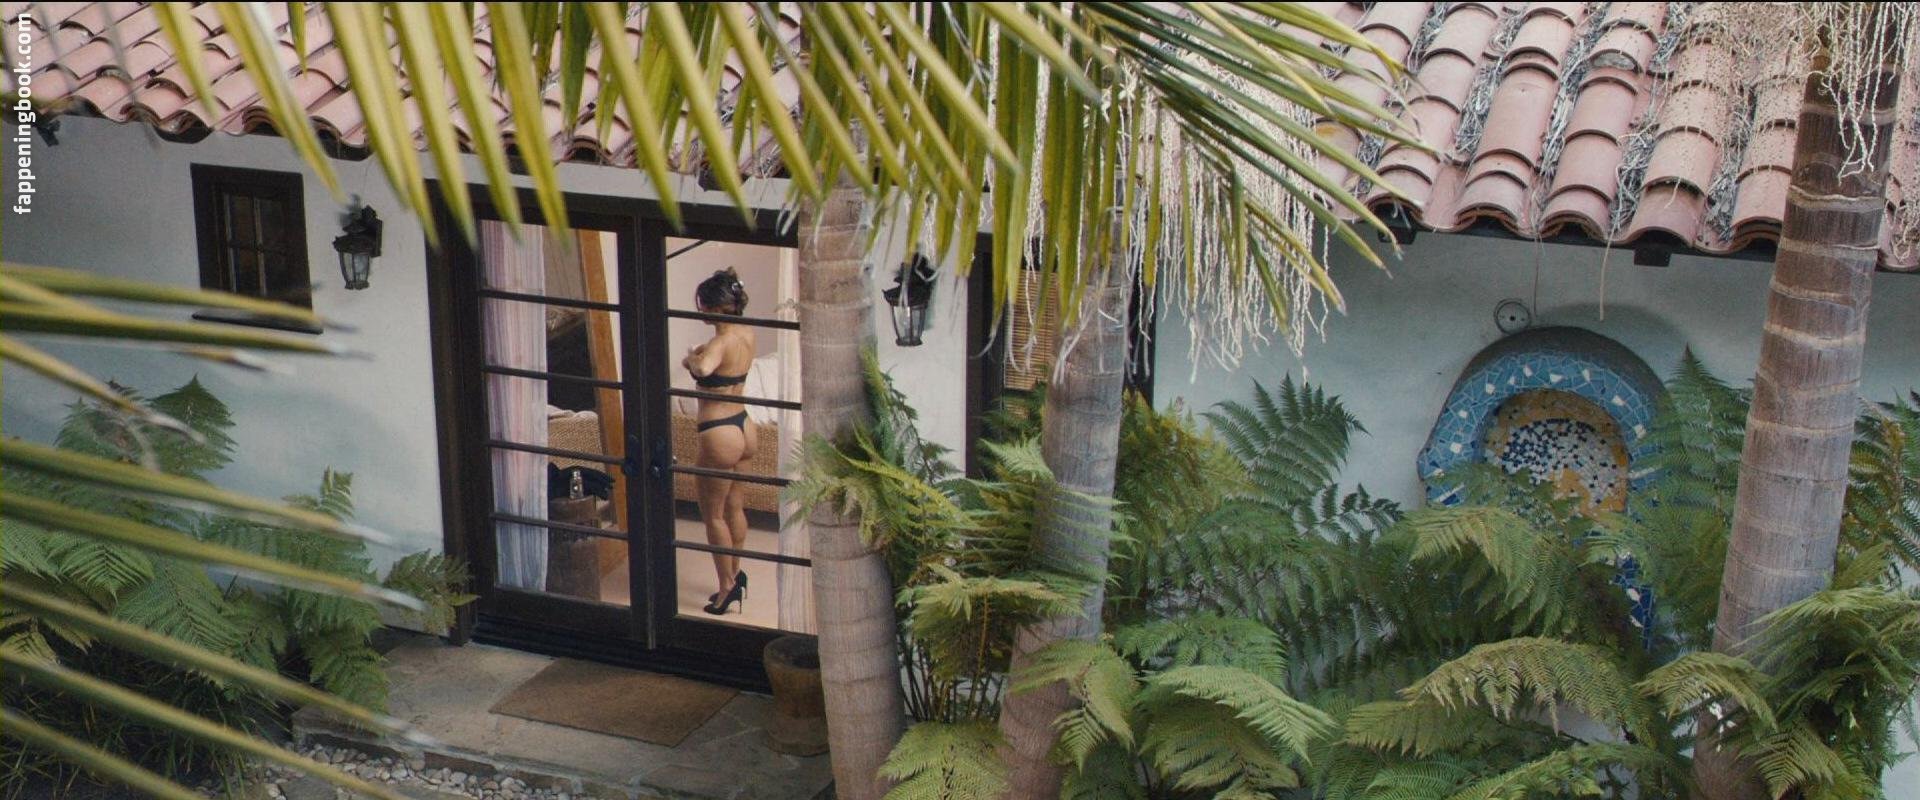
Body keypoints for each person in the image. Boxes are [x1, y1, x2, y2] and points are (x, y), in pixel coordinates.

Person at [682, 268, 757, 615]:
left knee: (713, 514)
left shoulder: (719, 342)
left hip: (719, 431)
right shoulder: (746, 333)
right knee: (735, 507)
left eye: (702, 305)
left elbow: (703, 369)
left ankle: (726, 588)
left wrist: (691, 359)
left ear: (713, 307)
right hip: (744, 424)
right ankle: (736, 574)